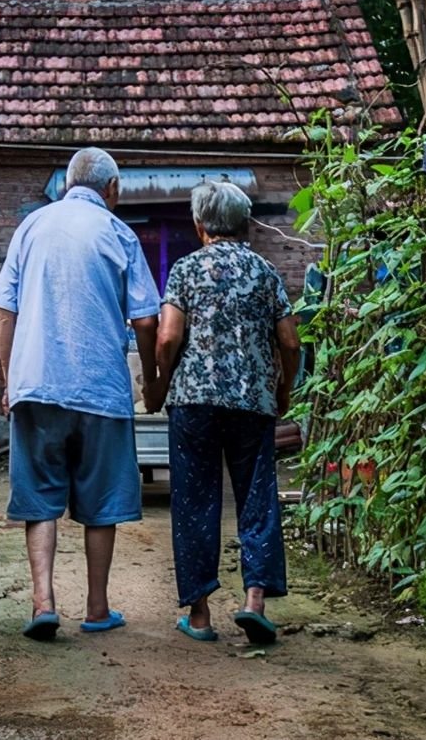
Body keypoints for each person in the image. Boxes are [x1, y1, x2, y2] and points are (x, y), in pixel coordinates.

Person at [0, 147, 159, 641]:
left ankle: (44, 602)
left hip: (36, 385)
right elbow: (146, 320)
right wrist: (149, 379)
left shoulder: (32, 227)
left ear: (68, 184)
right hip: (101, 388)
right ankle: (96, 607)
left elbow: (4, 311)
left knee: (39, 498)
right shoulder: (119, 233)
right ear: (113, 190)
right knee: (101, 502)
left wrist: (10, 380)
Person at [146, 181, 301, 645]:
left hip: (194, 402)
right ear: (244, 225)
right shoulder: (265, 271)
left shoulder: (187, 270)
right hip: (252, 403)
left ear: (199, 226)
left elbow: (168, 337)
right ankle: (254, 601)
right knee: (256, 496)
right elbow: (290, 342)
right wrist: (283, 387)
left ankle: (199, 616)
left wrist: (160, 381)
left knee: (195, 501)